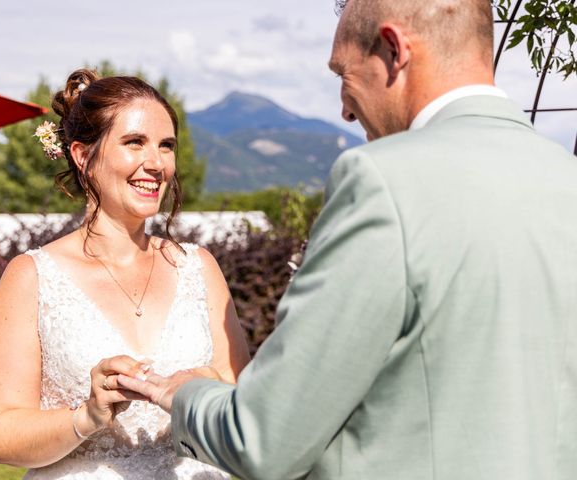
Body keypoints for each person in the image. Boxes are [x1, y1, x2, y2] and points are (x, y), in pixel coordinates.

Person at [116, 1, 577, 479]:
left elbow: (266, 437)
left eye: (343, 74)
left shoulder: (383, 181)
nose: (343, 109)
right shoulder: (566, 178)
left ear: (395, 51)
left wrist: (182, 394)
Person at [0, 69, 250, 479]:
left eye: (166, 146)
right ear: (83, 156)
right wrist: (86, 415)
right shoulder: (32, 277)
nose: (156, 164)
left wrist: (208, 388)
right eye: (134, 142)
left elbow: (247, 411)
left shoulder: (199, 267)